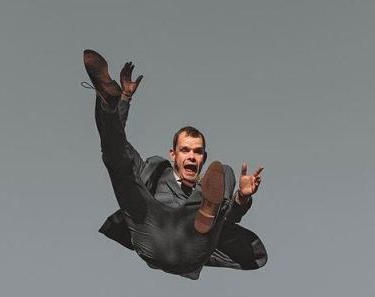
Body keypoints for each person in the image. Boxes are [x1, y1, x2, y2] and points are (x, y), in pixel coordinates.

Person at [83, 49, 268, 279]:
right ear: (173, 154)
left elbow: (227, 223)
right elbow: (116, 147)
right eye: (185, 150)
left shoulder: (210, 185)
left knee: (225, 171)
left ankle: (205, 215)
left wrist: (242, 197)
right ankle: (107, 104)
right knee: (118, 162)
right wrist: (124, 99)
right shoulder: (154, 172)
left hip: (190, 247)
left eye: (197, 152)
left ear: (203, 158)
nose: (191, 156)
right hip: (150, 233)